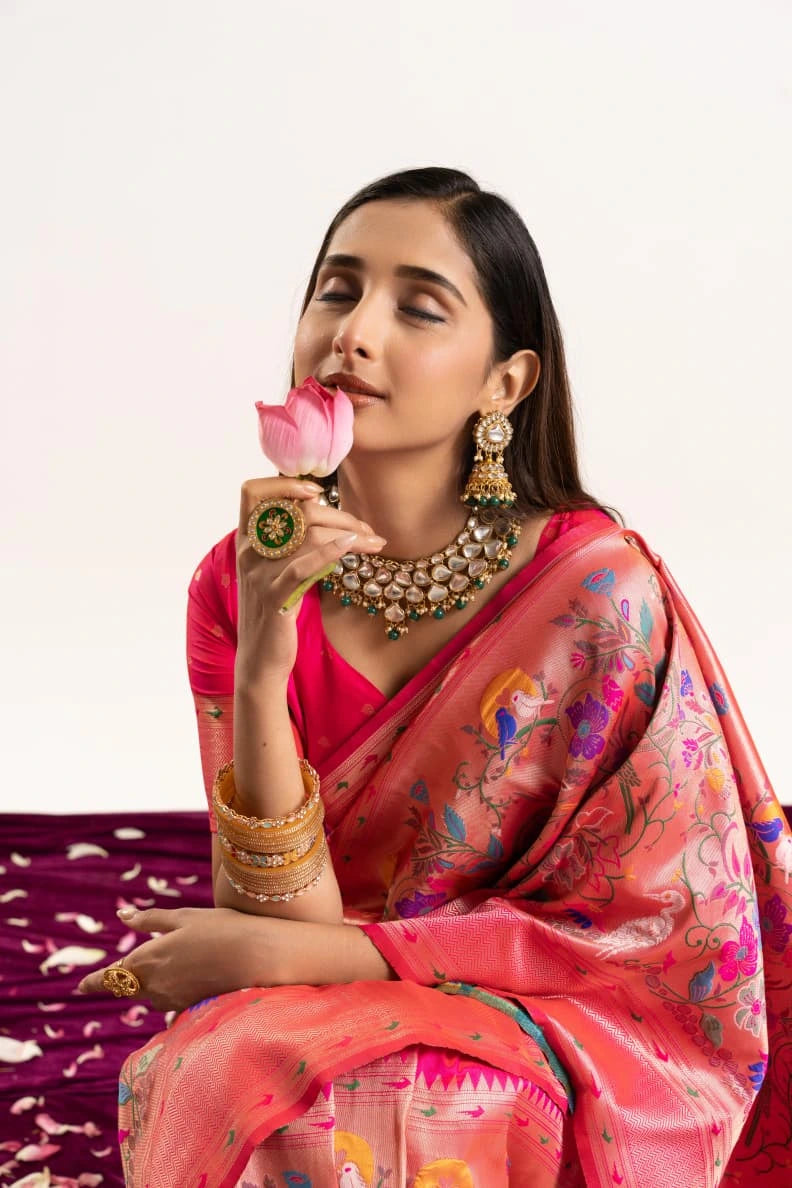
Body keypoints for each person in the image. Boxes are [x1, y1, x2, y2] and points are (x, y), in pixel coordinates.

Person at [79, 167, 791, 1188]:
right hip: (311, 995)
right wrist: (265, 657)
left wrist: (292, 962)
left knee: (390, 1100)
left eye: (418, 306)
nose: (353, 333)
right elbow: (281, 918)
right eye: (337, 289)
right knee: (229, 1070)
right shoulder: (236, 583)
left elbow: (648, 940)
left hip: (565, 1020)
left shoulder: (594, 594)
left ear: (505, 383)